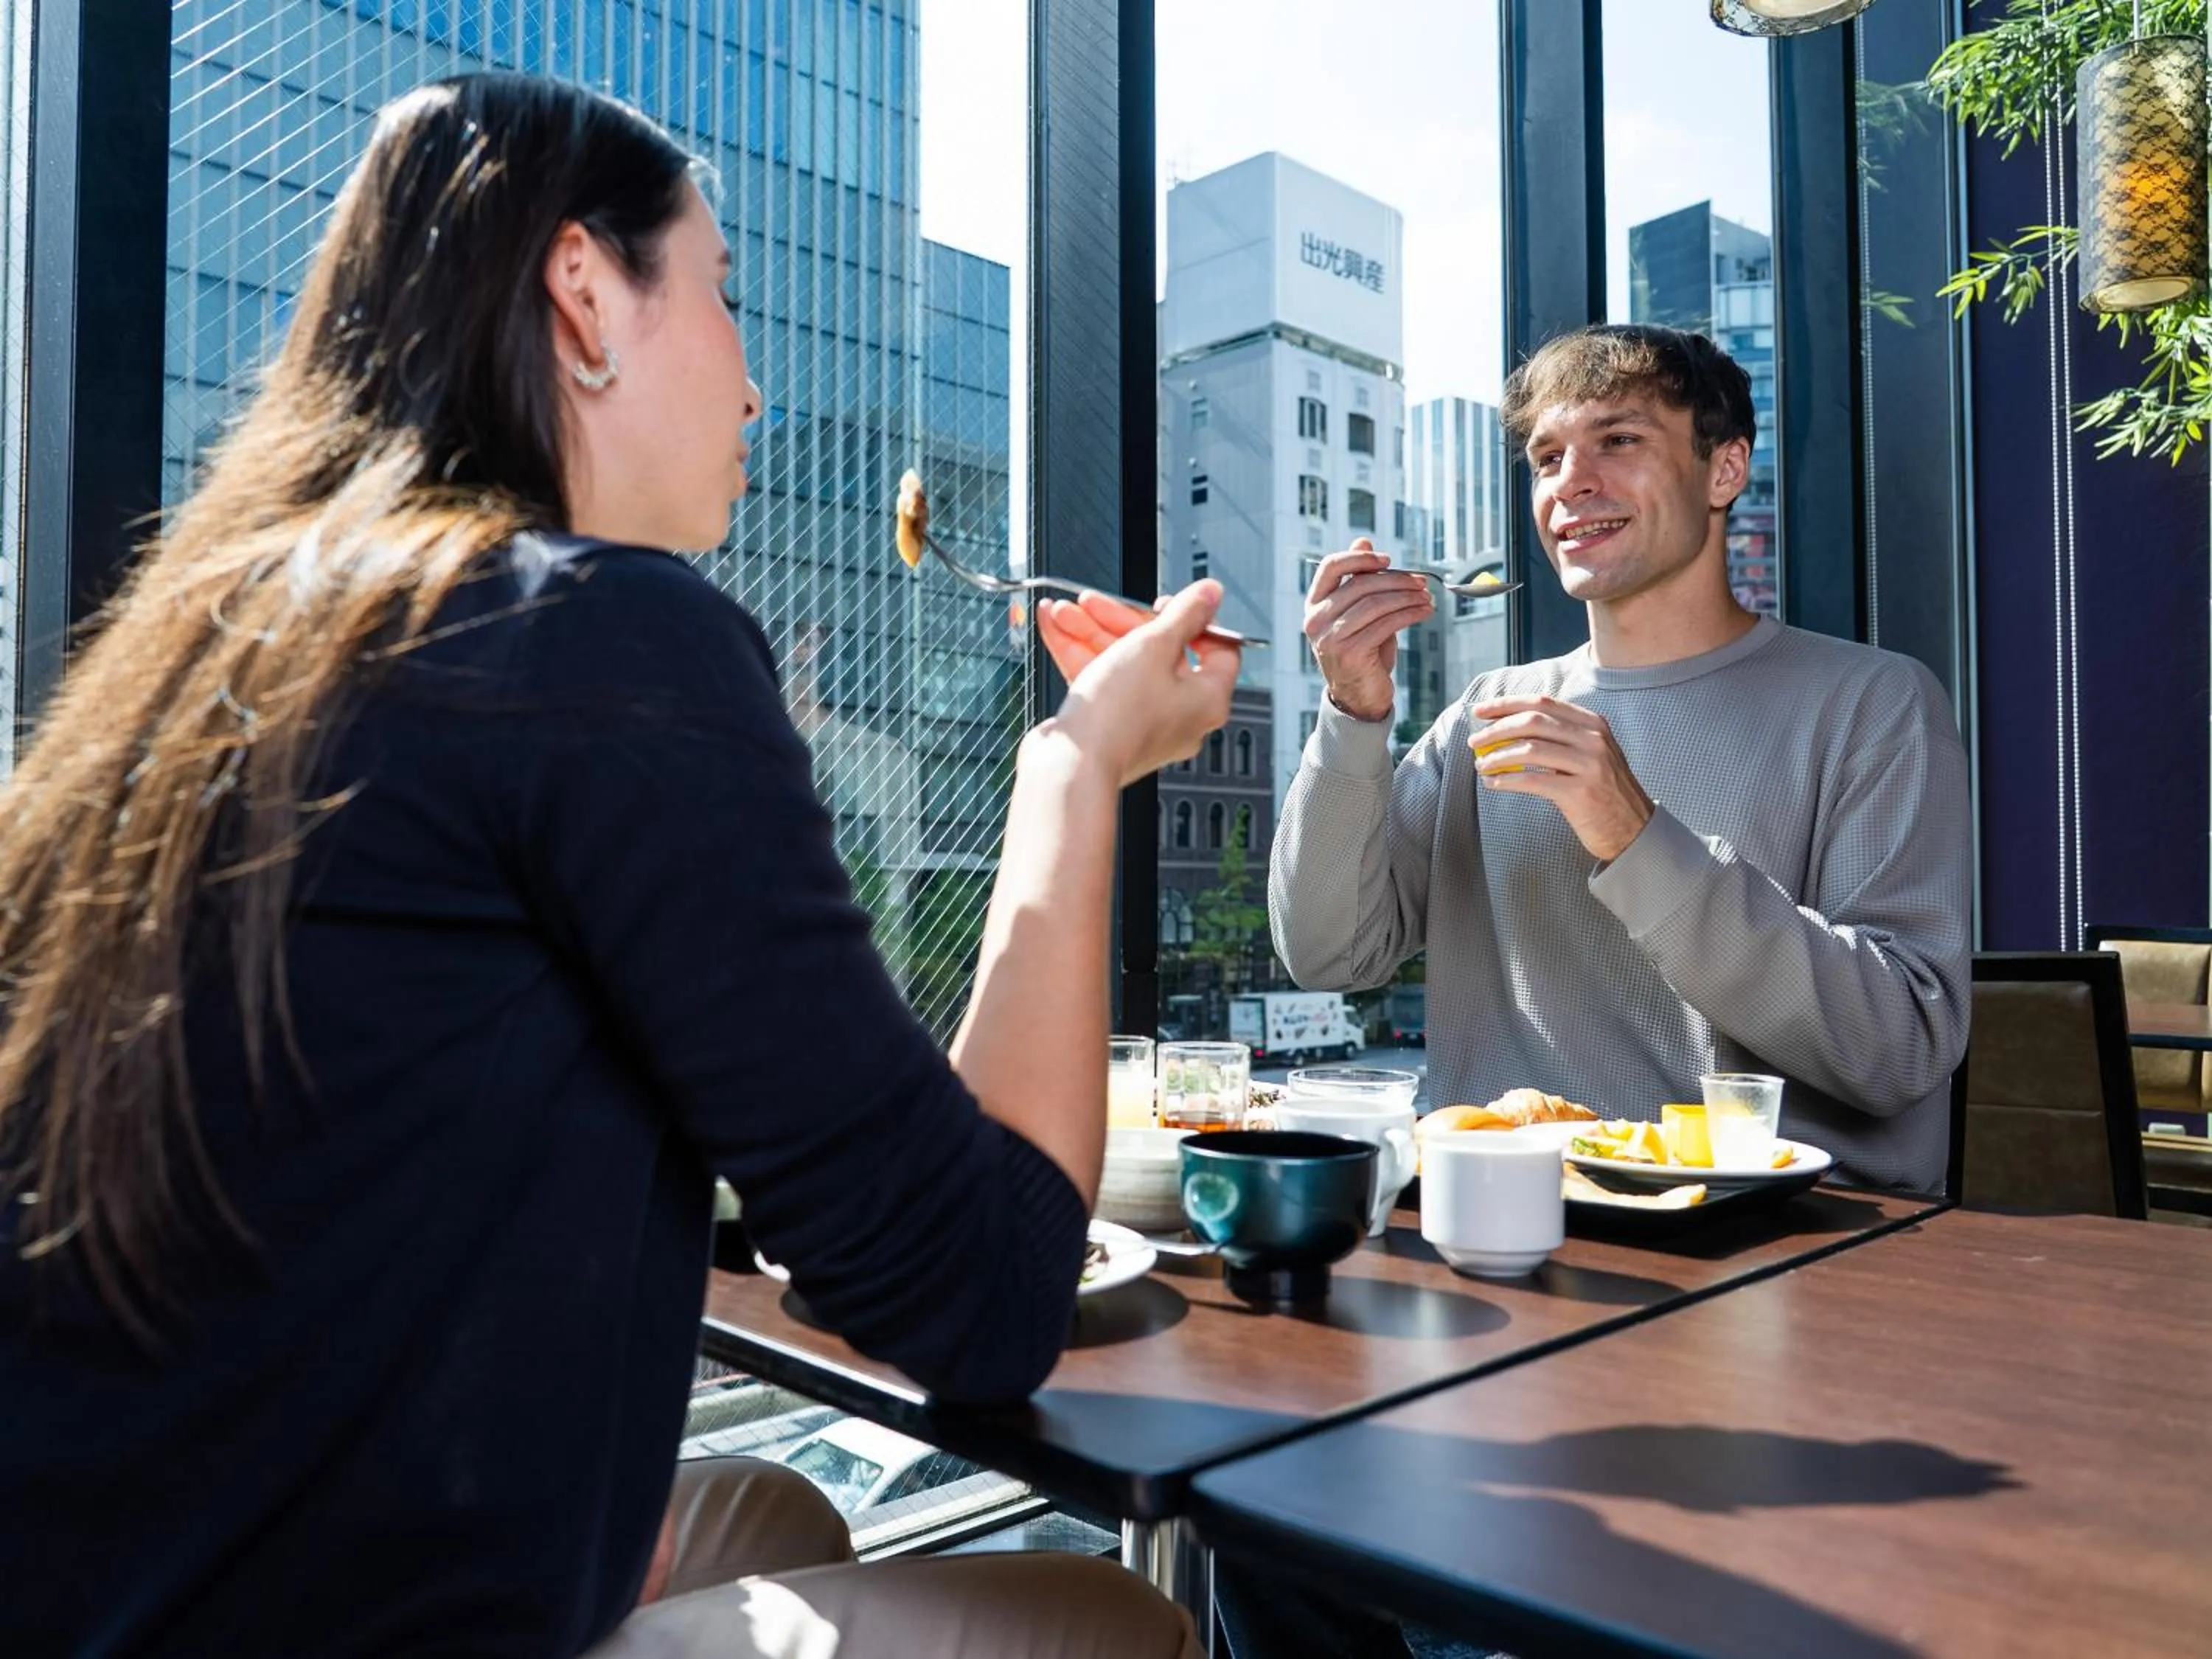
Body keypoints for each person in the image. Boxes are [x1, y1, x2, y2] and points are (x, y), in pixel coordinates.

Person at [0, 74, 1226, 1659]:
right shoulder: (594, 631)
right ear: (583, 293)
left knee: (768, 1514)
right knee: (1109, 1620)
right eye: (721, 293)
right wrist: (1073, 768)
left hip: (111, 1572)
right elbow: (982, 1298)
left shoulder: (228, 636)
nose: (755, 391)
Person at [1270, 322, 1972, 1195]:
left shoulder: (1876, 703)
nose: (1571, 482)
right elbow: (1329, 956)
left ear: (1724, 470)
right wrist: (1353, 714)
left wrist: (1637, 837)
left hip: (1780, 1234)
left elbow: (1901, 1048)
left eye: (1619, 440)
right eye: (1548, 457)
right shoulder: (1485, 715)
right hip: (1497, 1213)